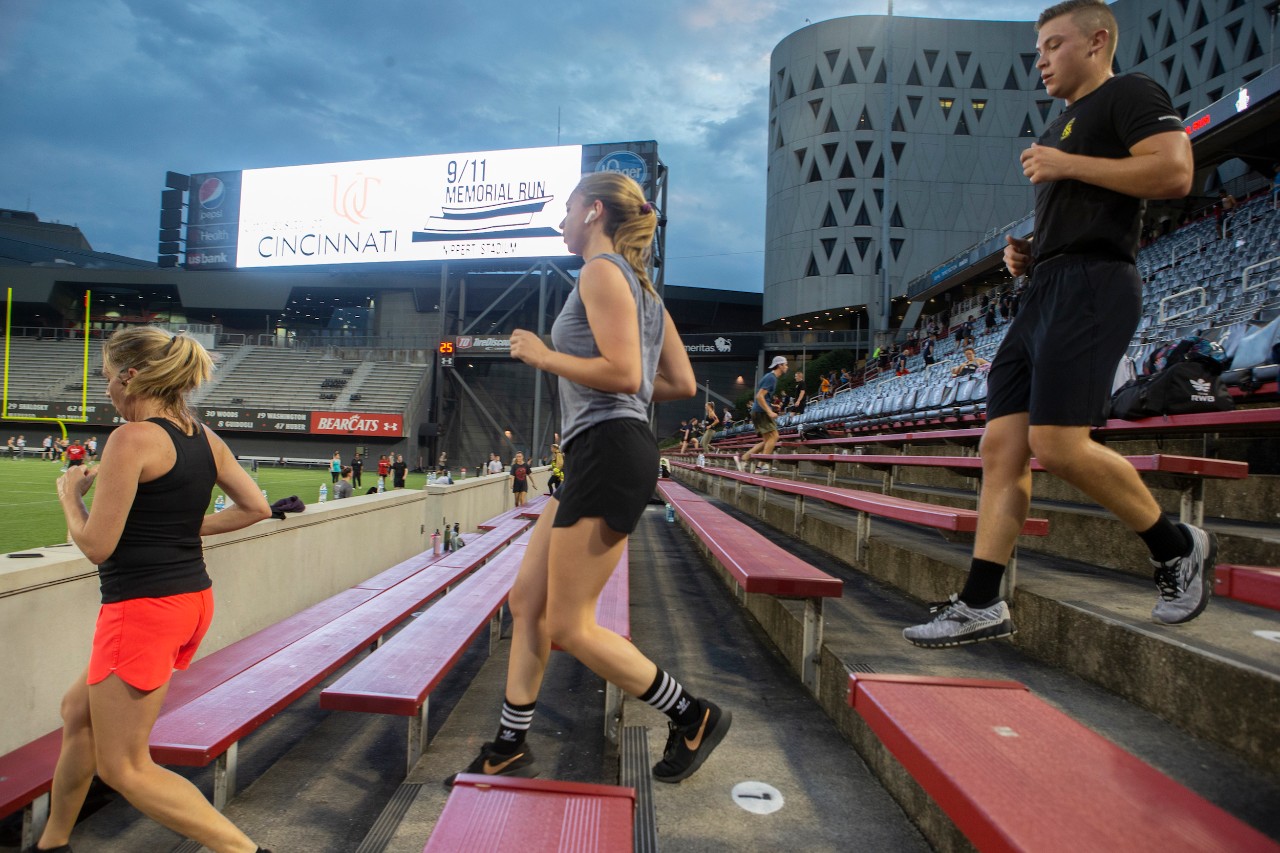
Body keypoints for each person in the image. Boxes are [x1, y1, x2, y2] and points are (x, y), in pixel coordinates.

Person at [904, 0, 1204, 648]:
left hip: (1096, 283)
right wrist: (1031, 253)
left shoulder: (1129, 93)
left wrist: (1065, 165)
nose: (1040, 59)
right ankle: (981, 602)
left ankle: (1176, 545)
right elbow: (1087, 207)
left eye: (1053, 44)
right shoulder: (1060, 124)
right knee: (1000, 447)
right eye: (1038, 48)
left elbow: (1175, 171)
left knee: (1058, 445)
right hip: (1045, 288)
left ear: (1097, 41)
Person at [448, 171, 728, 789]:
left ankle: (693, 714)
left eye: (568, 208)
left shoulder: (600, 272)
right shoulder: (644, 290)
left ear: (594, 211)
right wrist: (618, 387)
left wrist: (545, 356)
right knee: (527, 602)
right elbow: (679, 383)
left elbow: (625, 374)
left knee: (569, 625)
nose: (561, 221)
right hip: (598, 451)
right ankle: (508, 747)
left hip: (608, 449)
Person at [39, 327, 272, 853]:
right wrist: (179, 529)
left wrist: (71, 496)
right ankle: (52, 842)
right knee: (79, 712)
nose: (106, 390)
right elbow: (256, 508)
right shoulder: (203, 436)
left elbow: (96, 546)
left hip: (142, 609)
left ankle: (246, 851)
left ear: (129, 376)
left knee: (125, 767)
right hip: (190, 600)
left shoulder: (132, 438)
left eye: (106, 378)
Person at [736, 356, 788, 473]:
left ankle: (743, 459)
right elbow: (759, 396)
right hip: (761, 412)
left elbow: (763, 397)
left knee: (767, 441)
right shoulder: (771, 378)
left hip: (757, 411)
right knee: (774, 437)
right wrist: (769, 411)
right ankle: (761, 466)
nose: (787, 367)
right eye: (785, 364)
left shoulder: (770, 377)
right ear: (779, 365)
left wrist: (772, 407)